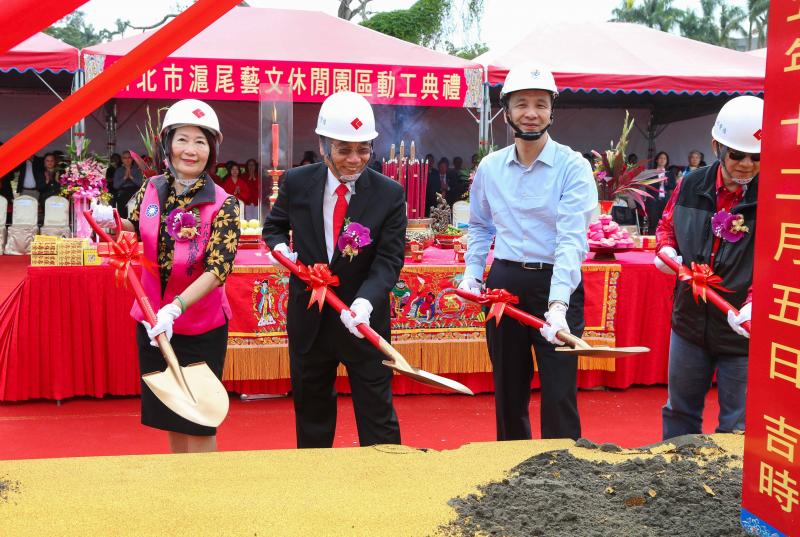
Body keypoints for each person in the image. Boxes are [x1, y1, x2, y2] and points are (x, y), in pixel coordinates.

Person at [91, 98, 240, 454]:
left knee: (201, 420)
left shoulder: (224, 204)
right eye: (183, 139)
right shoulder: (152, 187)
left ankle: (203, 495)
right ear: (168, 144)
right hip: (152, 322)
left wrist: (176, 307)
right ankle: (180, 490)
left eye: (201, 141)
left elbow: (219, 269)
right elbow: (137, 226)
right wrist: (114, 221)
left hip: (199, 325)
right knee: (173, 413)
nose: (191, 150)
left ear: (211, 150)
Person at [458, 64, 597, 441]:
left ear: (553, 110)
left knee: (558, 390)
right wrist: (472, 273)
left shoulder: (573, 166)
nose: (531, 113)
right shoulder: (490, 167)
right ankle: (512, 471)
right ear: (506, 110)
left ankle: (564, 472)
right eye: (521, 104)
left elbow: (571, 239)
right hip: (504, 283)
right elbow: (480, 226)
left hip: (556, 284)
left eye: (540, 104)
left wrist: (557, 306)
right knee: (508, 387)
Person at [263, 91, 406, 449]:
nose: (355, 160)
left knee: (377, 413)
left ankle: (388, 484)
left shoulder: (389, 194)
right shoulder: (297, 182)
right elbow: (274, 226)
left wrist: (366, 303)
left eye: (363, 150)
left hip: (361, 321)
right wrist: (280, 249)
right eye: (344, 150)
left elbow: (389, 259)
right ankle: (315, 487)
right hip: (310, 319)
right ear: (324, 146)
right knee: (312, 413)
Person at [654, 95, 763, 440]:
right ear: (717, 146)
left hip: (741, 331)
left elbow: (782, 258)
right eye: (737, 154)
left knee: (738, 426)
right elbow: (666, 225)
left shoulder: (775, 196)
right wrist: (667, 249)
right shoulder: (690, 184)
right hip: (689, 321)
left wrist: (754, 302)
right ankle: (674, 480)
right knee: (679, 413)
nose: (747, 164)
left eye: (757, 157)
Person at [644, 151, 678, 234]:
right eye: (660, 158)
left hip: (665, 201)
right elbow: (646, 186)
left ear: (667, 161)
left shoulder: (670, 173)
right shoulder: (650, 172)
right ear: (657, 160)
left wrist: (665, 183)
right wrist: (657, 182)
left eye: (664, 158)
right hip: (653, 201)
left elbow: (673, 186)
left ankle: (663, 241)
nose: (662, 160)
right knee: (653, 222)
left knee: (664, 223)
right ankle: (652, 242)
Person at [113, 151, 144, 218]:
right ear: (122, 159)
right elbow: (115, 186)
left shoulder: (137, 170)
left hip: (135, 192)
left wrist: (131, 177)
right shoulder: (119, 170)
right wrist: (125, 178)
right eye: (125, 158)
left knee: (135, 213)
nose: (127, 160)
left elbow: (141, 184)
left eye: (129, 158)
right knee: (122, 212)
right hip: (122, 193)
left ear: (132, 159)